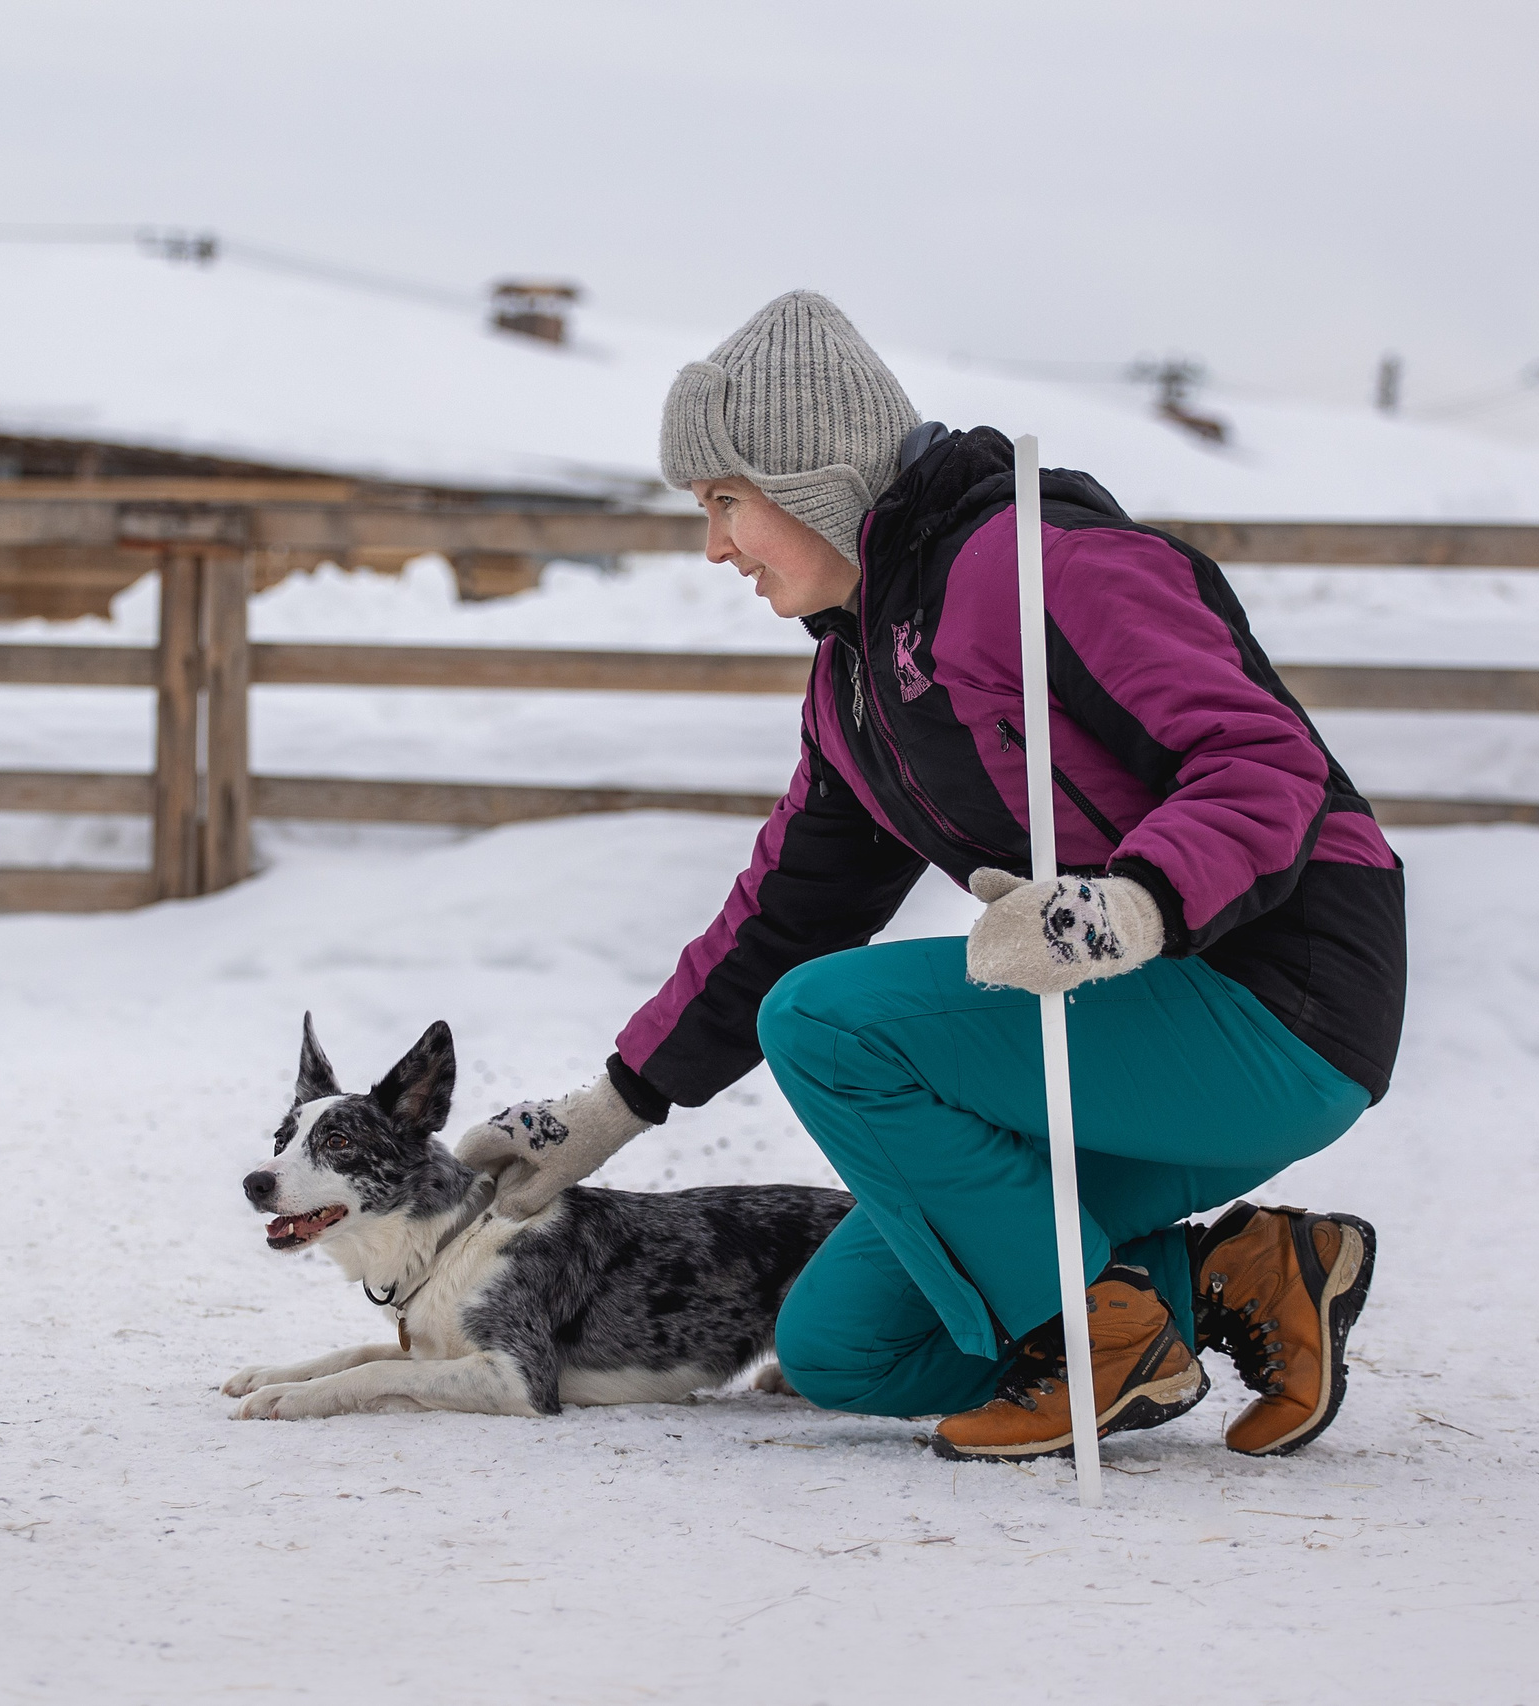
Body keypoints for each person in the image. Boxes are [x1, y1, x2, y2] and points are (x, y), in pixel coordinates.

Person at [455, 291, 1403, 1462]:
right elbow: (784, 913)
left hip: (1270, 988)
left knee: (826, 1023)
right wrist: (615, 1103)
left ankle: (1100, 1339)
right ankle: (1240, 1276)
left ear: (807, 477)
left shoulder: (1038, 568)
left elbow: (1264, 763)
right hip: (1118, 1038)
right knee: (847, 1344)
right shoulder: (854, 679)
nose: (714, 547)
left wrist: (1133, 902)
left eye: (723, 502)